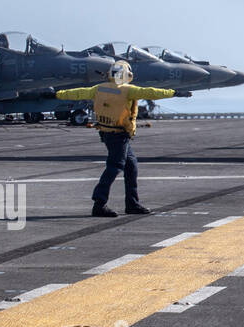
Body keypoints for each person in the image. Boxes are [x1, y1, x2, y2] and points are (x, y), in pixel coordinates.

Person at [55, 60, 178, 217]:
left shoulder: (99, 88)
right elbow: (151, 92)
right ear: (127, 74)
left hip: (107, 133)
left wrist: (57, 94)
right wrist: (173, 93)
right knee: (114, 167)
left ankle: (132, 204)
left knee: (131, 166)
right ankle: (99, 203)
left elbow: (79, 92)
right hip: (118, 135)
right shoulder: (128, 90)